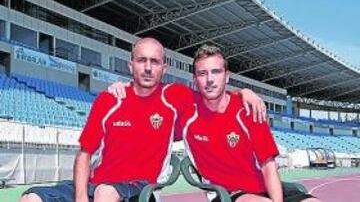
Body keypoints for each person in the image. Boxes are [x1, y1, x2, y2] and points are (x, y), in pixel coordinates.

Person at [20, 38, 266, 202]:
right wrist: (82, 197)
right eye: (142, 60)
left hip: (135, 187)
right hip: (94, 185)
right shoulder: (109, 99)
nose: (148, 67)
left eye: (155, 61)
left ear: (163, 69)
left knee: (106, 193)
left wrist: (244, 92)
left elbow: (213, 93)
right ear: (131, 65)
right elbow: (84, 155)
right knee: (30, 198)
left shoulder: (174, 97)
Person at [180, 44, 321, 202]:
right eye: (202, 73)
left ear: (226, 76)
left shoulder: (249, 109)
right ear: (194, 80)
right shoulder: (186, 113)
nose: (210, 79)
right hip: (229, 194)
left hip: (264, 186)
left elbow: (268, 166)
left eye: (216, 72)